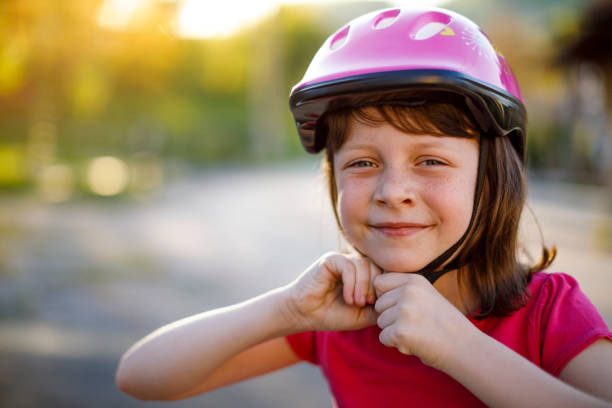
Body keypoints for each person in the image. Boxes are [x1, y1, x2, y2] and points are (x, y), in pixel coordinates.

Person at [115, 7, 612, 407]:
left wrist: (459, 347)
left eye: (432, 160)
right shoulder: (344, 318)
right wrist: (286, 308)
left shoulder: (548, 313)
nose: (393, 190)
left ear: (493, 177)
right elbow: (142, 377)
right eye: (362, 163)